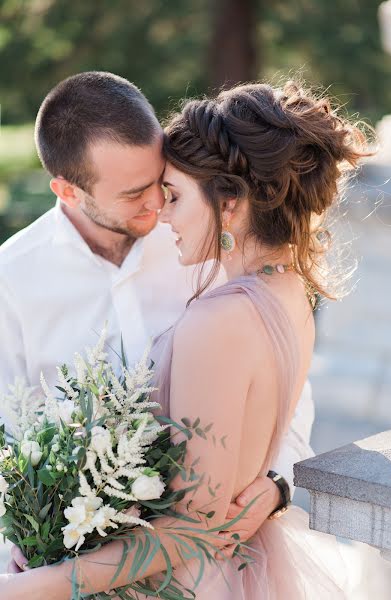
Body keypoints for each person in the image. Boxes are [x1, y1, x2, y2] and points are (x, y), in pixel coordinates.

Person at [0, 79, 368, 598]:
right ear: (68, 189)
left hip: (186, 570)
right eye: (135, 194)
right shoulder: (12, 281)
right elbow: (11, 441)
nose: (157, 206)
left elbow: (279, 395)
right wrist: (27, 554)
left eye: (163, 184)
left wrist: (279, 482)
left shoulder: (210, 245)